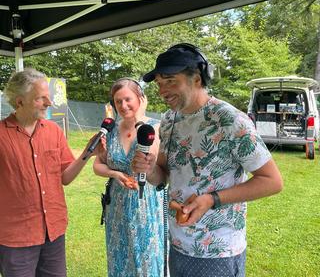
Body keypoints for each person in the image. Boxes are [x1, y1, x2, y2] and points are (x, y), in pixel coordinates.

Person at [131, 43, 283, 277]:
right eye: (160, 84)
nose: (162, 91)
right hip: (178, 244)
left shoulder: (230, 120)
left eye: (171, 81)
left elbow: (272, 181)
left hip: (218, 251)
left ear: (198, 79)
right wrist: (150, 169)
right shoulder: (170, 120)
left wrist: (212, 200)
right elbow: (163, 174)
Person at [0, 68, 103, 277]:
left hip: (54, 232)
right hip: (16, 238)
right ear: (20, 102)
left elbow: (65, 177)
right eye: (41, 98)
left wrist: (87, 153)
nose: (49, 102)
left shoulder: (53, 131)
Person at [93, 78, 164, 277]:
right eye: (118, 102)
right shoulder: (111, 130)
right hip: (116, 207)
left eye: (128, 99)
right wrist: (115, 174)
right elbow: (97, 165)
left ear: (141, 98)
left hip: (145, 205)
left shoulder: (155, 128)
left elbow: (152, 160)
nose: (123, 106)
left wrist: (139, 118)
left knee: (147, 263)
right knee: (120, 262)